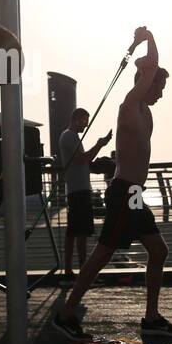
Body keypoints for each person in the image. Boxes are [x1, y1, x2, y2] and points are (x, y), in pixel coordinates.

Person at [52, 28, 172, 340]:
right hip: (124, 191)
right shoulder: (129, 105)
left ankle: (151, 317)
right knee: (101, 256)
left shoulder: (146, 113)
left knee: (158, 251)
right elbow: (150, 64)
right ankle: (66, 313)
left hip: (135, 194)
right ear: (145, 82)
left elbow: (149, 69)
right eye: (158, 86)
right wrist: (148, 36)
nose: (161, 93)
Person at [57, 108, 111, 284]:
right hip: (78, 190)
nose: (86, 125)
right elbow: (82, 159)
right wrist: (99, 144)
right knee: (78, 232)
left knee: (76, 231)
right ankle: (81, 272)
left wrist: (98, 149)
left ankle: (73, 271)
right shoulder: (69, 136)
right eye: (85, 121)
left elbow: (84, 161)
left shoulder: (70, 137)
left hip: (77, 189)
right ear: (77, 119)